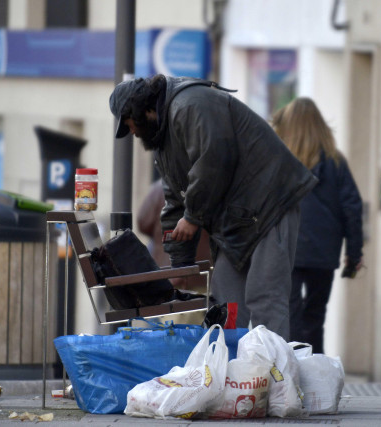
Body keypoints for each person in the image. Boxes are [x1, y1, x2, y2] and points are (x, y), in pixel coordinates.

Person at [109, 75, 318, 340]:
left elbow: (215, 159)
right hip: (237, 218)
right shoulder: (165, 138)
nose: (132, 133)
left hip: (269, 202)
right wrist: (181, 265)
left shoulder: (190, 105)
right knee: (225, 303)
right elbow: (175, 200)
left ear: (142, 111)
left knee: (265, 295)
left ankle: (276, 375)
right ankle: (227, 370)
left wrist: (193, 216)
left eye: (129, 125)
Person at [271, 97, 363, 354]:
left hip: (286, 247)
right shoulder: (336, 162)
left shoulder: (279, 161)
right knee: (315, 316)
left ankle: (292, 370)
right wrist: (354, 253)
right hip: (324, 251)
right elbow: (352, 208)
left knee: (290, 313)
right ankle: (315, 372)